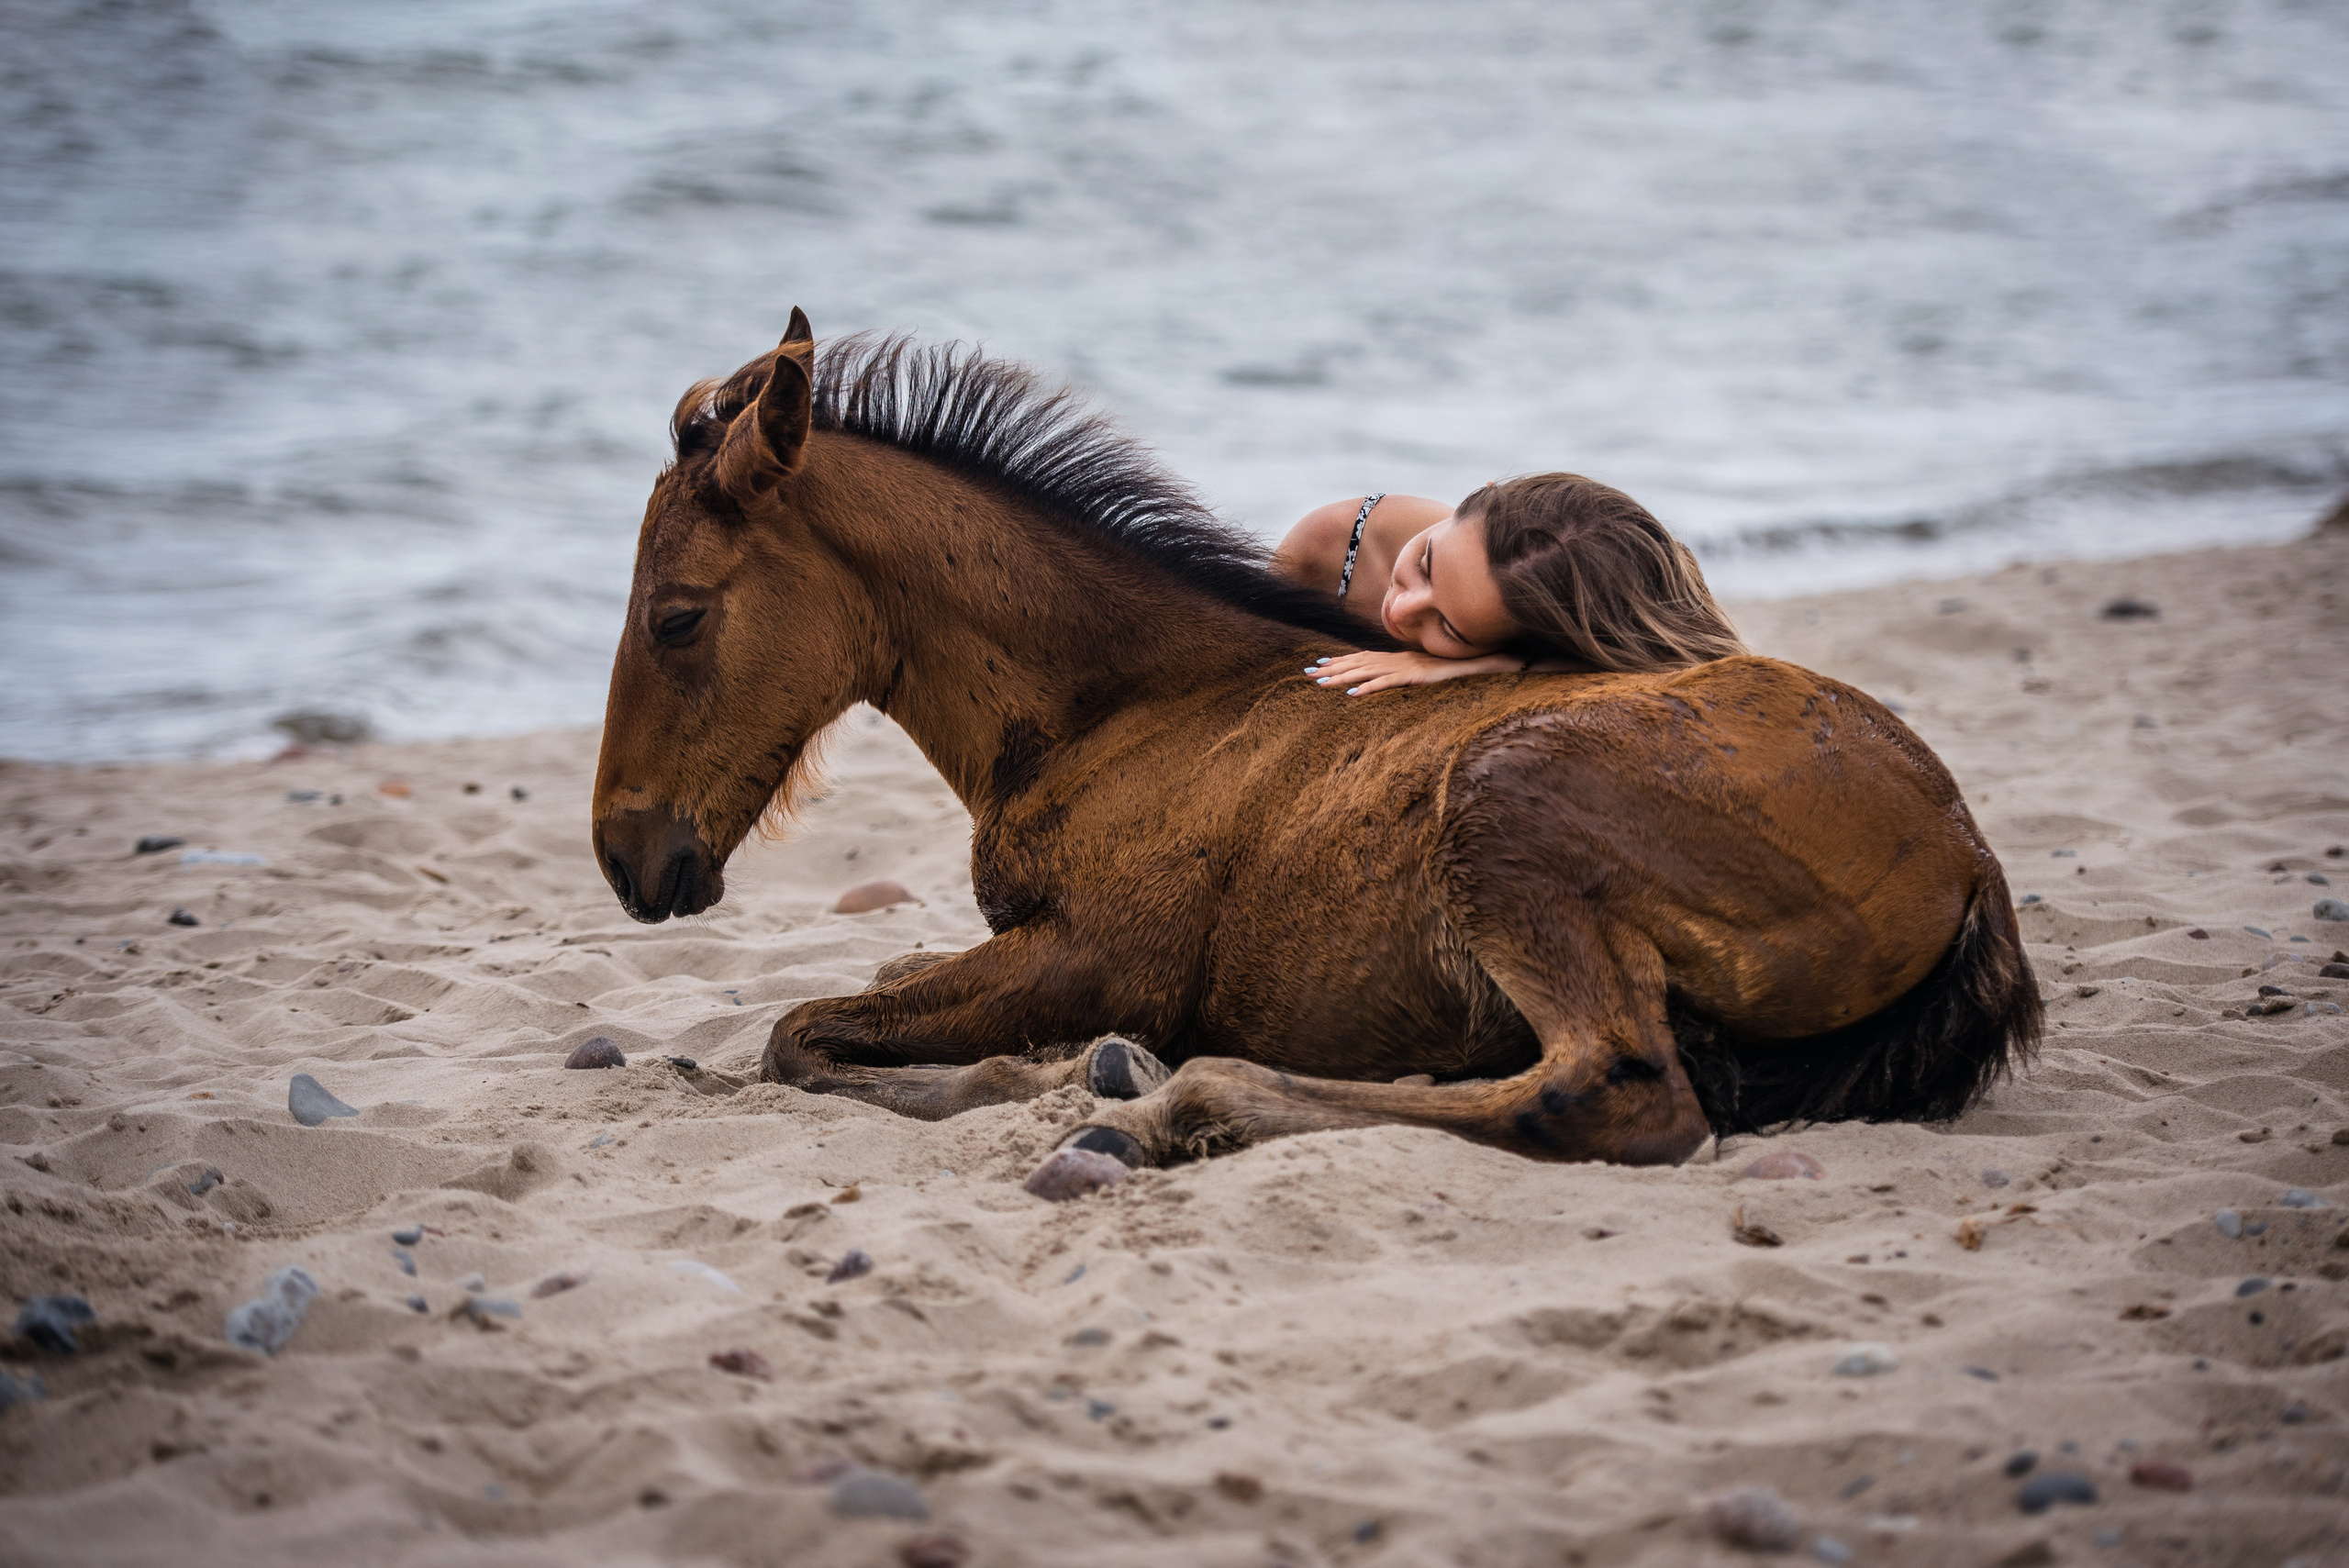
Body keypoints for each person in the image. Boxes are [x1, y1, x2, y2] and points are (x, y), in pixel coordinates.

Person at [1269, 473, 1747, 695]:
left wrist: (1482, 667)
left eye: (1450, 630)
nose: (1402, 609)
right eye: (1425, 564)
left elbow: (1678, 671)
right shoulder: (1331, 543)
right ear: (1476, 495)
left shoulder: (1527, 624)